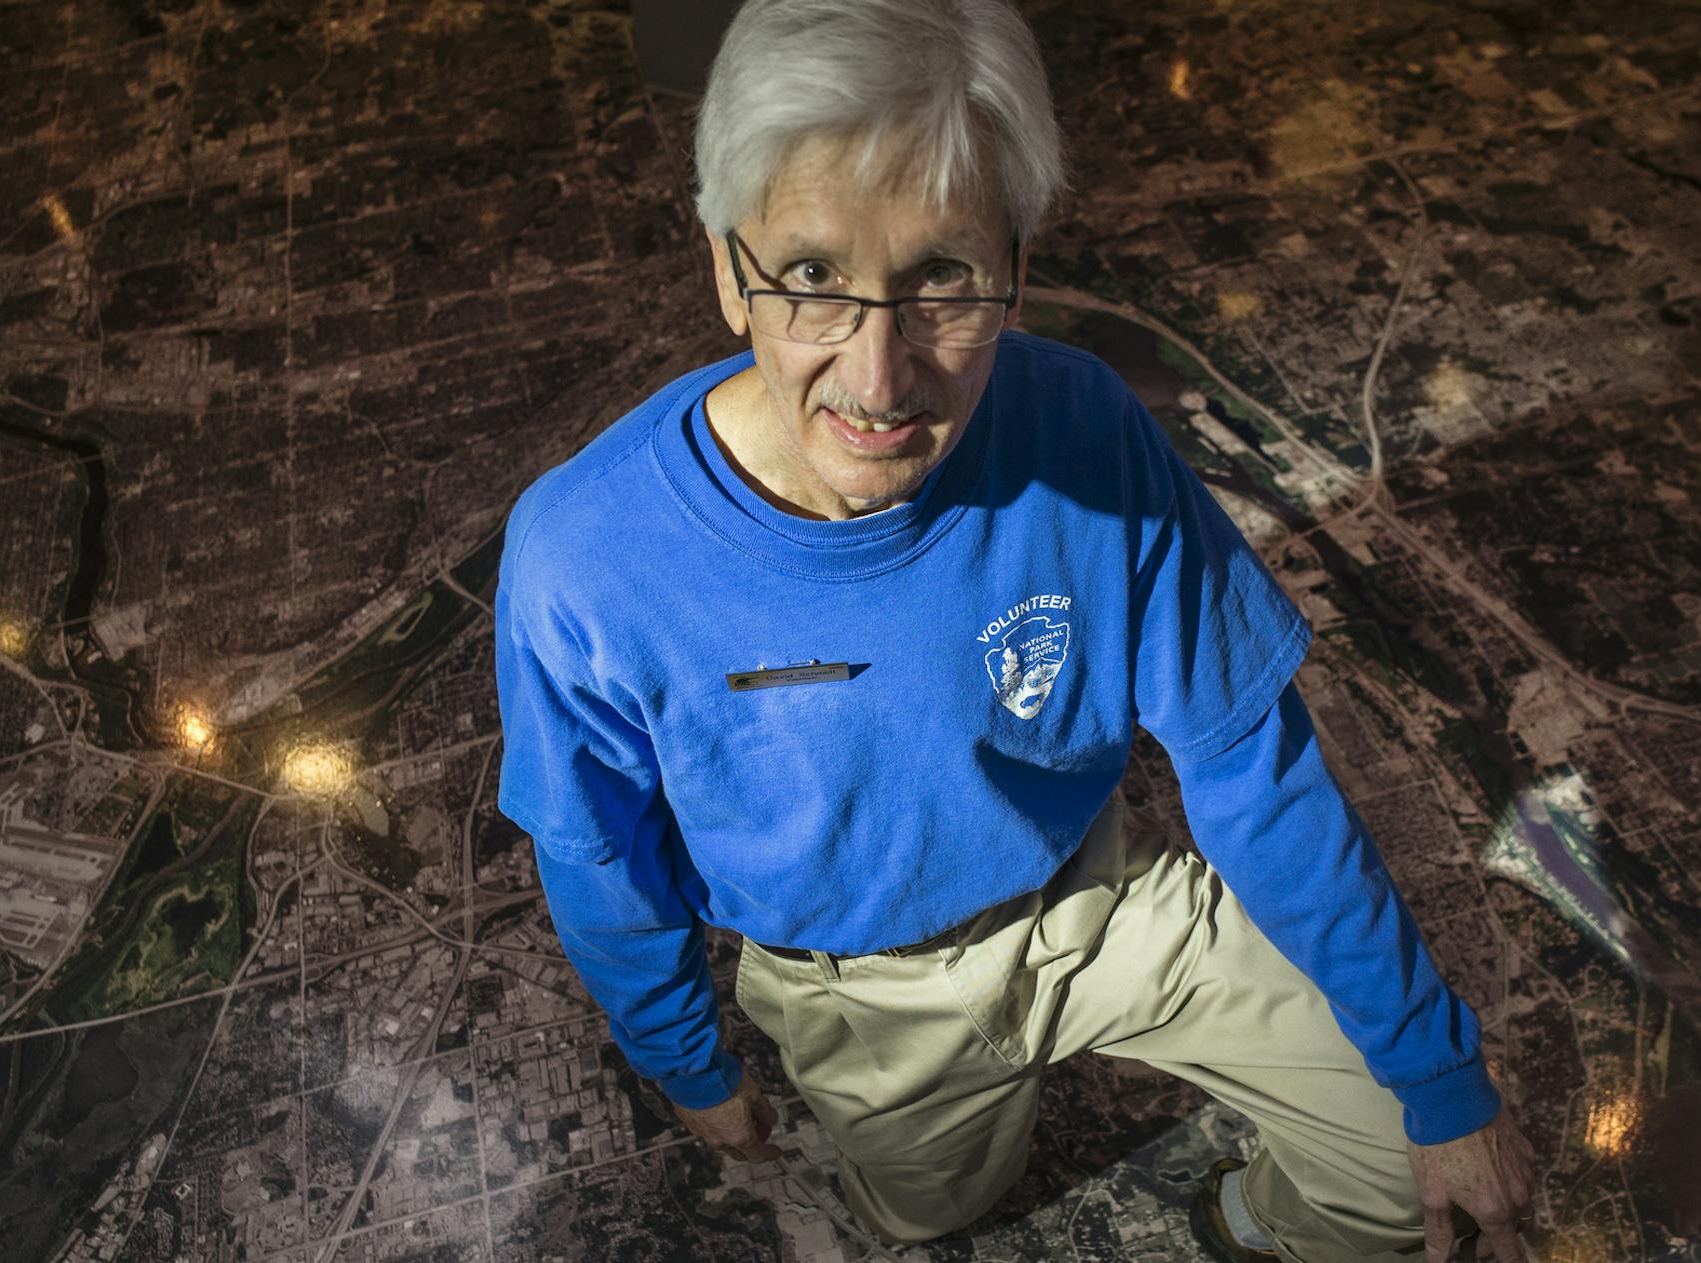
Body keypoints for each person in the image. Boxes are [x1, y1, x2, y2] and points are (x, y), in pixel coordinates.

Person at [493, 2, 1537, 1258]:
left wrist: (1436, 1076)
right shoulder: (582, 555)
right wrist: (690, 1065)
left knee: (1391, 1174)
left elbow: (1253, 769)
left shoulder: (1085, 426)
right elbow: (595, 853)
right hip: (869, 997)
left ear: (1015, 270)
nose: (879, 383)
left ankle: (1249, 1221)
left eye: (942, 279)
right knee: (938, 1218)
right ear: (728, 267)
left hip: (1102, 895)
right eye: (814, 278)